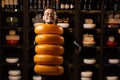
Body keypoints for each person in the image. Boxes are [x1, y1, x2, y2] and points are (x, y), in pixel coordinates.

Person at [42, 6, 81, 80]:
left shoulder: (65, 32)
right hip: (46, 71)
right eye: (47, 14)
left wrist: (68, 56)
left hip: (62, 71)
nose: (50, 15)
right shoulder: (39, 34)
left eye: (52, 13)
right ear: (43, 17)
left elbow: (77, 47)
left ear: (56, 17)